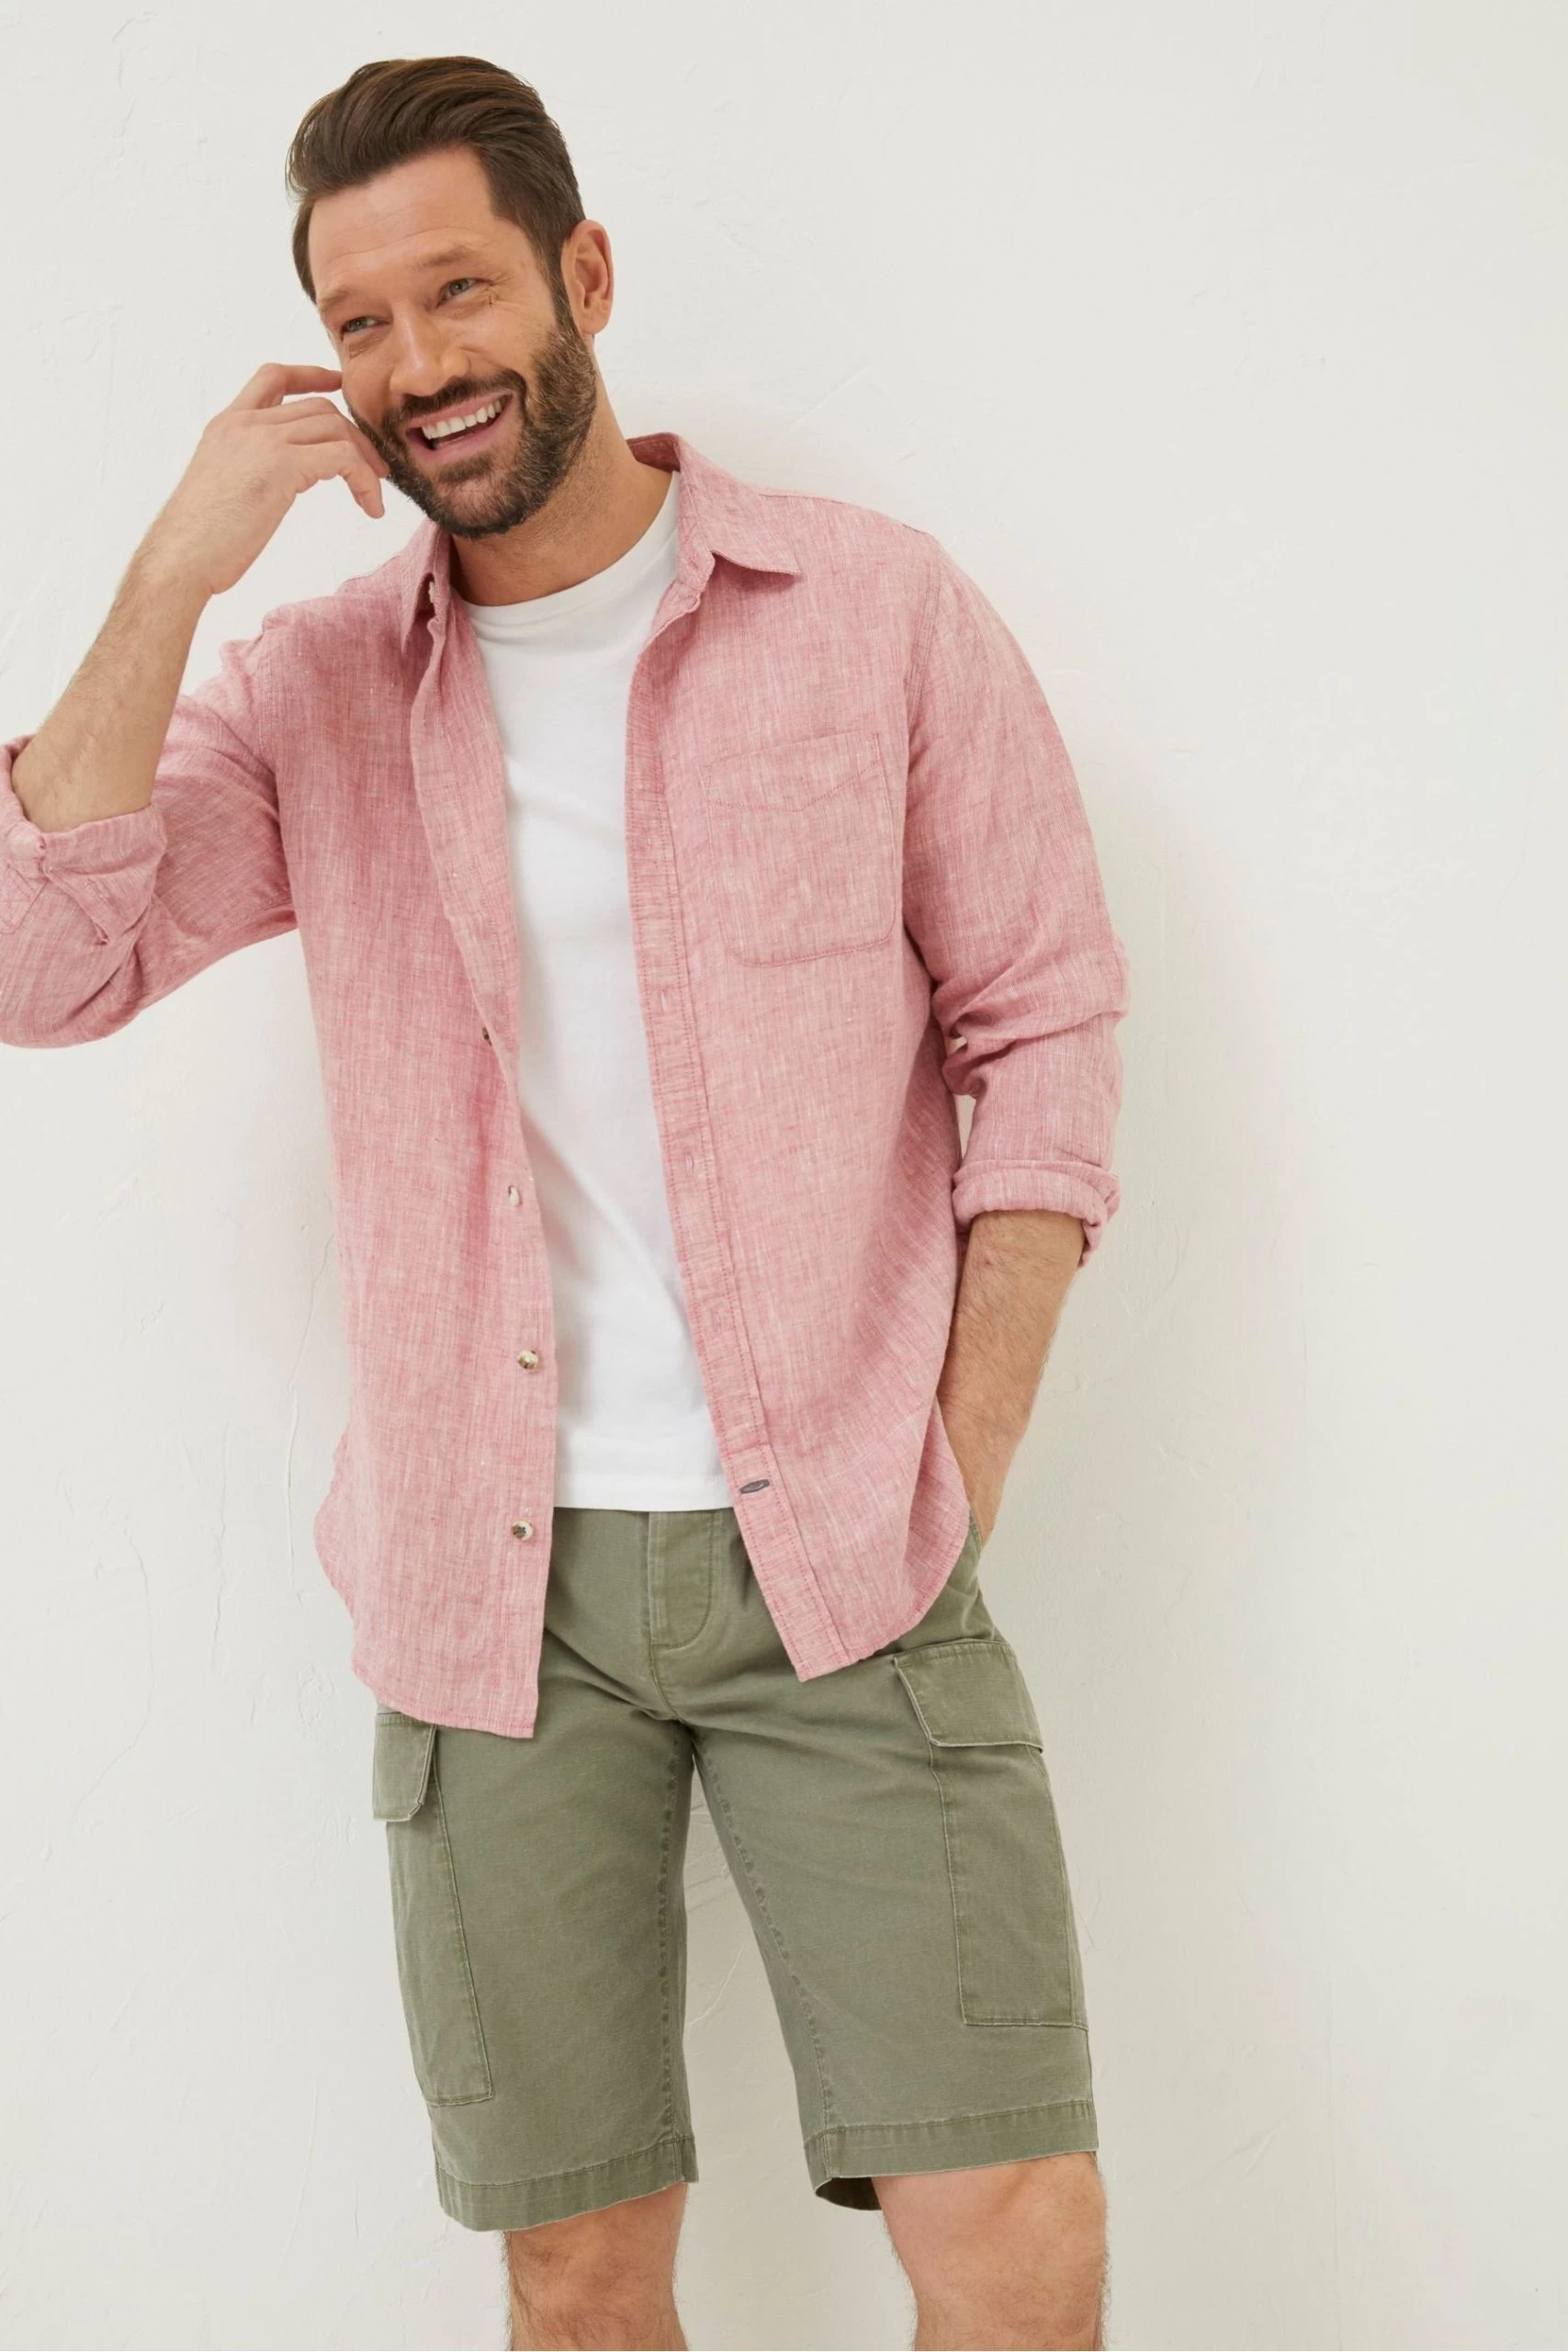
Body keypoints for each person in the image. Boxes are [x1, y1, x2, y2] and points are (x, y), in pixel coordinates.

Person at [0, 53, 1130, 2352]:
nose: (416, 361)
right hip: (487, 1591)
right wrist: (174, 568)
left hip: (845, 1551)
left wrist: (964, 1441)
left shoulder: (872, 612)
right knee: (577, 2264)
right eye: (359, 321)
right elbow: (45, 963)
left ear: (582, 275)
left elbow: (1045, 1020)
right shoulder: (314, 686)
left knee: (1010, 2226)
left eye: (459, 290)